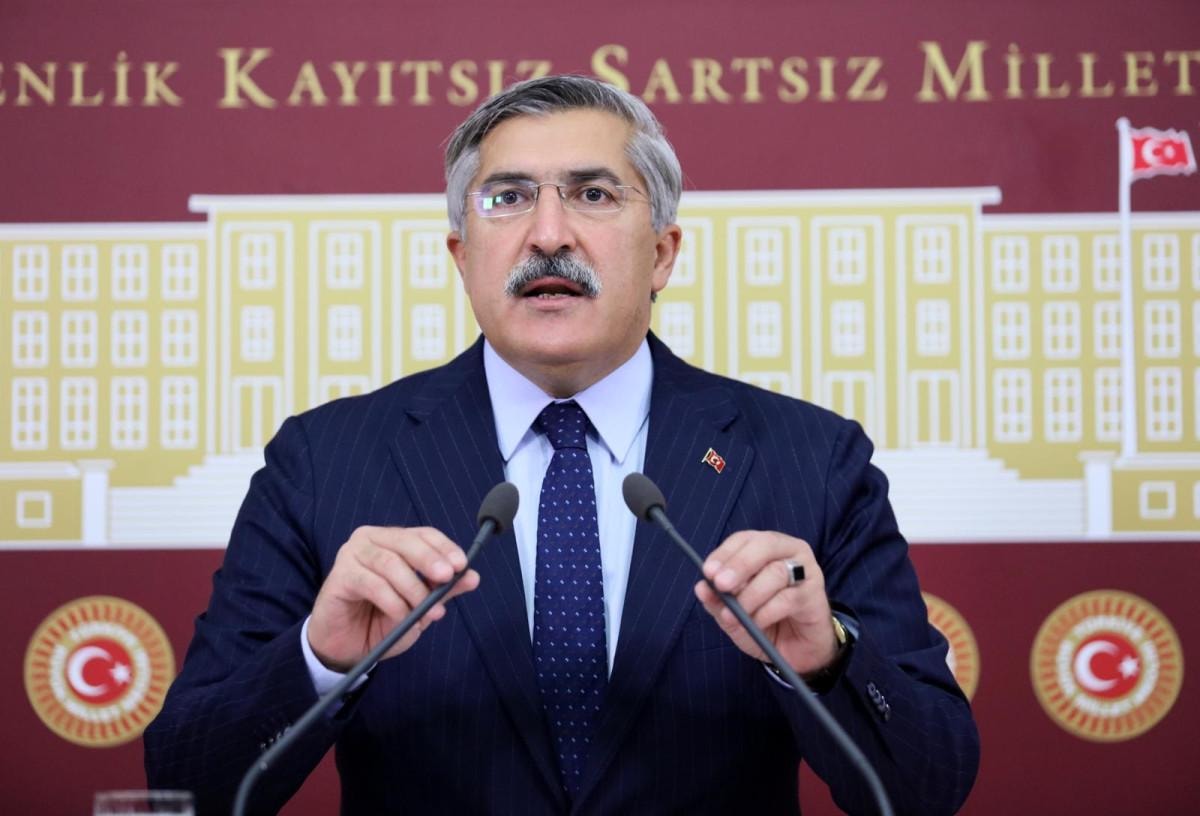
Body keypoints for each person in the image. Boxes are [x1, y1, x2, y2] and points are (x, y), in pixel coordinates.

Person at [145, 74, 979, 815]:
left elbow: (929, 785)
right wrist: (318, 662)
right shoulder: (324, 461)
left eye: (593, 194)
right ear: (462, 256)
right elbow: (186, 781)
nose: (548, 233)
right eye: (507, 198)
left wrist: (826, 662)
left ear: (662, 253)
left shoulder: (810, 458)